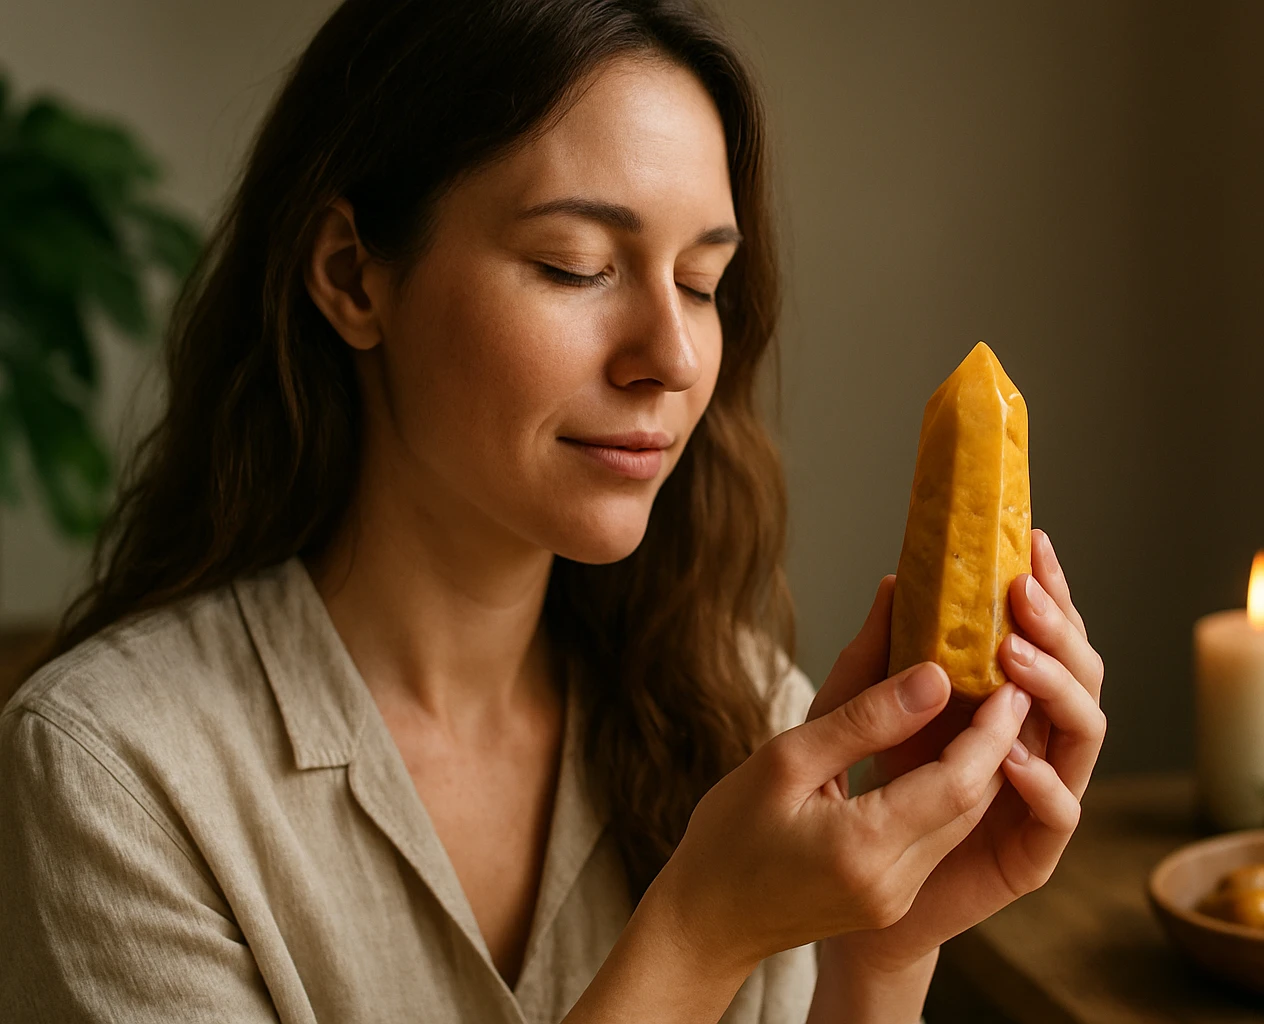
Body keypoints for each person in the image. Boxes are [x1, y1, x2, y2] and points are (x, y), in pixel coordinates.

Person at [0, 1, 1107, 1021]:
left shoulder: (747, 714)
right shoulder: (114, 775)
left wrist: (883, 953)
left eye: (702, 284)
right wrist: (699, 934)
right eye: (575, 266)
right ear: (351, 275)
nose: (672, 358)